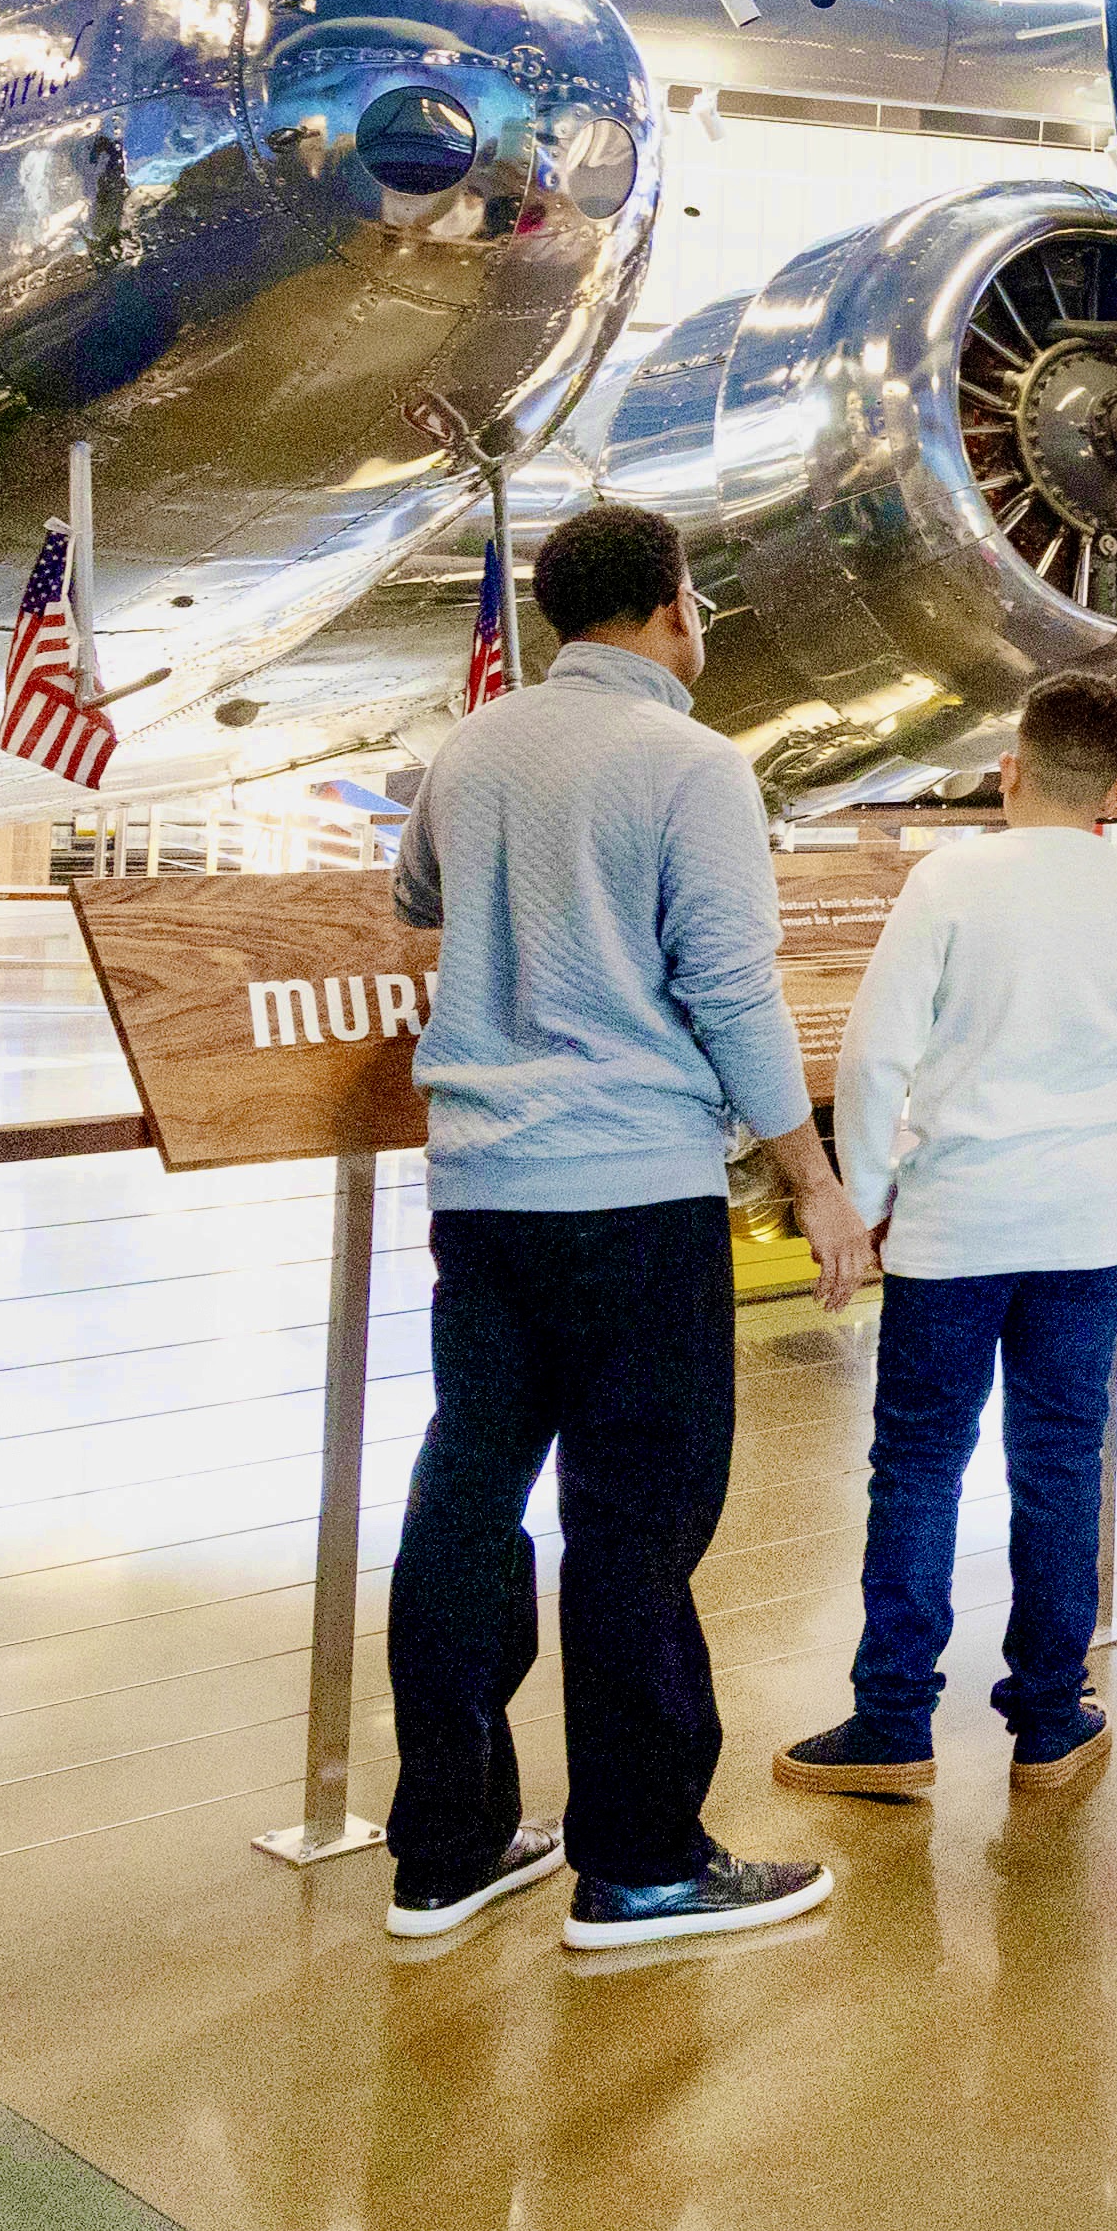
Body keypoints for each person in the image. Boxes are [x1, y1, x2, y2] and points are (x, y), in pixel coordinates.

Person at [378, 494, 871, 1963]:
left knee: (464, 1501)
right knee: (636, 1522)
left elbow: (412, 896)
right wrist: (812, 1168)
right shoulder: (691, 763)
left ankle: (445, 1846)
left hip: (482, 1195)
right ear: (671, 606)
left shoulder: (471, 747)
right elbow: (729, 985)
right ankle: (643, 1858)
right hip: (632, 1193)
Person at [778, 676, 1117, 1812]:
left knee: (920, 1462)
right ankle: (1050, 1713)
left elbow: (878, 1055)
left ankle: (890, 1721)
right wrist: (1098, 1160)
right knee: (1061, 1461)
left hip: (953, 1224)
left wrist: (865, 1196)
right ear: (1115, 791)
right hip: (1086, 1222)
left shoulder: (950, 878)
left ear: (1008, 767)